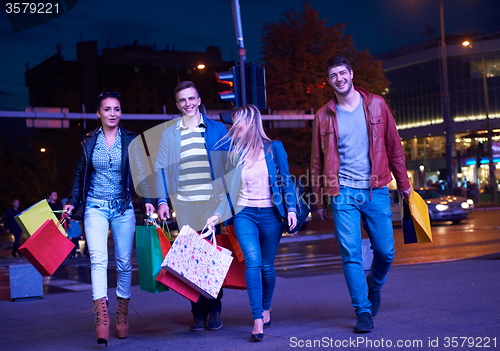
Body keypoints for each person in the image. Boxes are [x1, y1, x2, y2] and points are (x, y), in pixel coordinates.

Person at [311, 55, 412, 333]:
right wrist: (319, 199)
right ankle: (362, 310)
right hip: (341, 192)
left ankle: (374, 286)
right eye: (333, 75)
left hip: (376, 188)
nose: (339, 79)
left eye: (343, 73)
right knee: (351, 254)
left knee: (386, 251)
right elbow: (317, 162)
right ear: (328, 80)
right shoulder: (323, 116)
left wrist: (404, 185)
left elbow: (394, 146)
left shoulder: (377, 104)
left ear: (351, 74)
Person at [143, 81, 229, 332]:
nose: (188, 104)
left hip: (212, 204)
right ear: (177, 104)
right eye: (182, 100)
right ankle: (198, 312)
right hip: (185, 204)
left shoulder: (217, 129)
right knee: (190, 261)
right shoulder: (170, 134)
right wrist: (161, 201)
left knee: (212, 259)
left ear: (199, 100)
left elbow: (229, 168)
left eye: (191, 98)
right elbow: (159, 169)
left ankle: (214, 308)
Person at [206, 104, 297, 342]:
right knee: (253, 262)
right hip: (244, 214)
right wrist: (217, 214)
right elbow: (227, 190)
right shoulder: (233, 153)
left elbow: (286, 180)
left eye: (239, 122)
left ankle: (266, 307)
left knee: (267, 266)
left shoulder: (273, 148)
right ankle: (257, 318)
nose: (234, 127)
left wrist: (292, 209)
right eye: (233, 123)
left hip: (271, 215)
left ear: (251, 123)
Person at [63, 92, 136, 345]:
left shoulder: (130, 139)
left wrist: (150, 201)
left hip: (123, 207)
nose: (113, 113)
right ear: (98, 113)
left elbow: (141, 174)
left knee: (125, 263)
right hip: (95, 206)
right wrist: (71, 202)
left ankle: (122, 313)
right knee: (98, 260)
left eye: (117, 108)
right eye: (107, 109)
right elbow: (79, 174)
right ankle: (102, 318)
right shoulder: (88, 141)